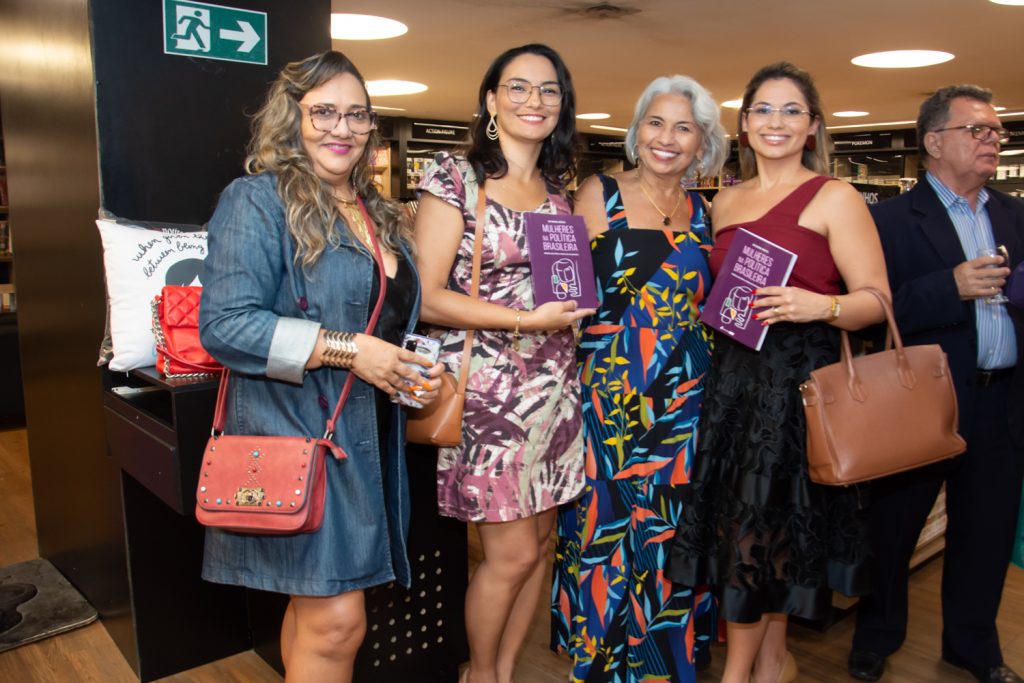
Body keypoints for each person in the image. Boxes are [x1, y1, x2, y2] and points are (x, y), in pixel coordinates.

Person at [198, 51, 442, 682]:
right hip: (298, 434)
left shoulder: (378, 213)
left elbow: (387, 324)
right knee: (336, 622)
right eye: (324, 111)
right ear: (292, 117)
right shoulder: (257, 201)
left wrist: (411, 367)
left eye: (356, 115)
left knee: (316, 611)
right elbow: (225, 327)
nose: (342, 128)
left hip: (369, 444)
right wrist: (351, 351)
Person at [666, 62, 889, 683]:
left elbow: (879, 300)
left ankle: (740, 675)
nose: (776, 122)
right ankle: (772, 664)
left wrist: (823, 305)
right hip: (735, 386)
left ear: (813, 126)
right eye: (764, 109)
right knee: (757, 533)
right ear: (744, 124)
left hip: (796, 394)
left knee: (759, 530)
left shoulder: (835, 196)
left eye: (792, 111)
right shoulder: (724, 200)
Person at [414, 44, 593, 683]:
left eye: (549, 91)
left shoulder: (556, 190)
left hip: (556, 388)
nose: (534, 102)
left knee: (542, 547)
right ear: (491, 101)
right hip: (490, 392)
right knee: (510, 556)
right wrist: (526, 320)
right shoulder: (456, 178)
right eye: (517, 88)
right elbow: (428, 295)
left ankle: (507, 670)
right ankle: (481, 675)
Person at [550, 74, 728, 683]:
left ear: (702, 143)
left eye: (684, 127)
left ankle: (664, 659)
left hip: (686, 403)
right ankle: (599, 661)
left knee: (672, 529)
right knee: (606, 526)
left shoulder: (710, 212)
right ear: (635, 131)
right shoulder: (598, 195)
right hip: (613, 397)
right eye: (655, 122)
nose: (666, 138)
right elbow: (563, 297)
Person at [848, 85, 1024, 683]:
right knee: (893, 529)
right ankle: (876, 638)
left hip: (1001, 402)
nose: (992, 140)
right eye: (977, 130)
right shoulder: (889, 219)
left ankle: (972, 646)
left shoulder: (1013, 213)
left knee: (987, 532)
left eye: (996, 131)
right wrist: (949, 286)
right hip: (919, 402)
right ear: (934, 142)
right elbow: (874, 306)